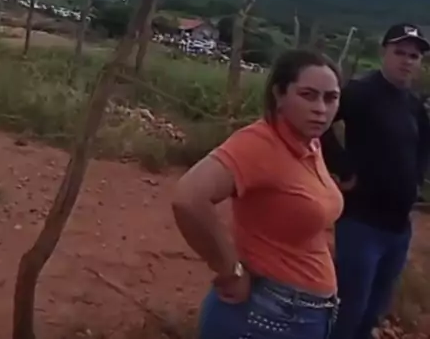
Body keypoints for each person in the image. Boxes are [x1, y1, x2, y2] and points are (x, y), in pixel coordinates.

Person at [172, 49, 343, 339]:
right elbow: (188, 198)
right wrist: (230, 270)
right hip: (265, 315)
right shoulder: (259, 144)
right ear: (279, 94)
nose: (321, 108)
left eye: (331, 98)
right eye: (308, 95)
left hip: (302, 313)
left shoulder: (309, 143)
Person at [322, 23, 430, 339]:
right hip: (361, 223)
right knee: (349, 308)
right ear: (384, 52)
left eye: (414, 56)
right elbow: (321, 124)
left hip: (398, 229)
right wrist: (343, 167)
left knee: (374, 309)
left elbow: (423, 144)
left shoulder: (413, 104)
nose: (407, 60)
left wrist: (417, 178)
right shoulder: (361, 92)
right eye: (400, 52)